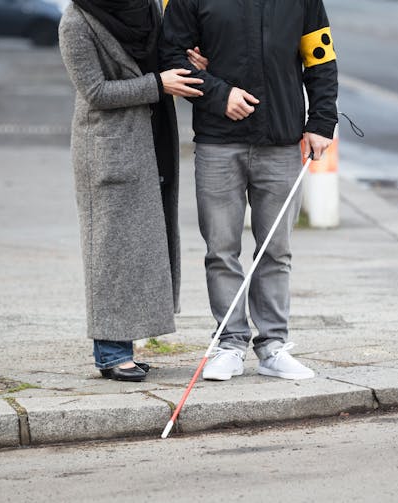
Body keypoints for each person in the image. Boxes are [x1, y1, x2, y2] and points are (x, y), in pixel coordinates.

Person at [159, 0, 338, 380]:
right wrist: (219, 95)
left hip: (282, 141)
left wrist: (321, 121)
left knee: (276, 249)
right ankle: (230, 343)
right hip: (218, 142)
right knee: (221, 249)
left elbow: (320, 60)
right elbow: (172, 56)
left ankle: (273, 346)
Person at [59, 0, 208, 382]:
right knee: (110, 251)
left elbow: (162, 60)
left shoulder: (147, 8)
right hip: (109, 148)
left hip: (152, 138)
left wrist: (190, 66)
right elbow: (95, 91)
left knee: (143, 248)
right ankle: (111, 353)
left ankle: (125, 347)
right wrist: (158, 84)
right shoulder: (76, 20)